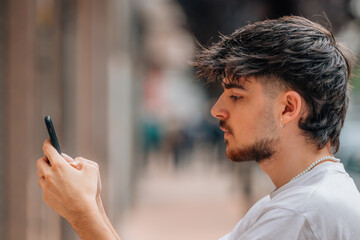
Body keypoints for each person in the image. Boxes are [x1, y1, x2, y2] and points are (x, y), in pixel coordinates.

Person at [37, 16, 360, 240]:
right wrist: (92, 205)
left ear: (288, 108)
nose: (217, 109)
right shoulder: (301, 199)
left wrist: (81, 214)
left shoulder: (301, 213)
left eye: (236, 96)